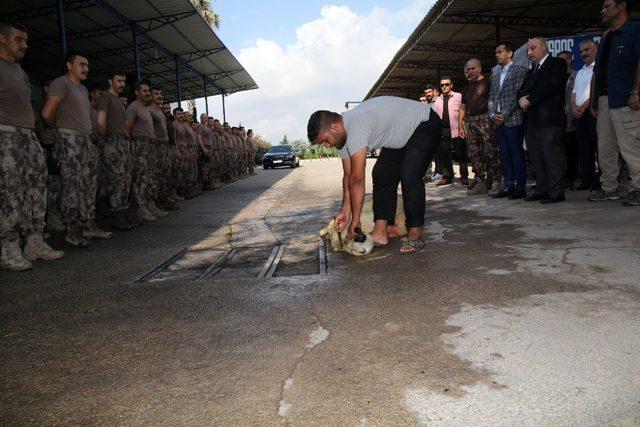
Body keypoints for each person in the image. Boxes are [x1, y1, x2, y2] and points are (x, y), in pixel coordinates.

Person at [307, 96, 442, 254]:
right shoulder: (341, 138)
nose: (327, 146)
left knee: (409, 174)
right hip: (401, 136)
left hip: (425, 123)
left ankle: (415, 232)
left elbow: (358, 179)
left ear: (334, 127)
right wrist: (345, 210)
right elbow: (349, 176)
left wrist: (355, 220)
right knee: (382, 173)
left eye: (325, 140)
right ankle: (380, 232)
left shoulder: (357, 126)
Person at [0, 21, 64, 271]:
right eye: (19, 39)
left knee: (36, 189)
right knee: (10, 193)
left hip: (28, 137)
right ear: (2, 39)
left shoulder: (20, 71)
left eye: (26, 40)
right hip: (5, 137)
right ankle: (9, 247)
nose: (25, 45)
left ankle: (34, 242)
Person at [43, 51, 110, 246]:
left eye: (87, 65)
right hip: (69, 139)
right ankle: (72, 231)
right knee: (71, 187)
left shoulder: (82, 89)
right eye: (81, 64)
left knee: (88, 186)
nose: (85, 68)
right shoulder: (61, 83)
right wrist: (60, 130)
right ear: (69, 65)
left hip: (85, 141)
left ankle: (88, 225)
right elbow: (47, 114)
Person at [589, 0, 640, 206]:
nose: (602, 10)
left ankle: (637, 187)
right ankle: (609, 187)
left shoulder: (634, 29)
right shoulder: (606, 36)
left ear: (621, 6)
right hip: (604, 100)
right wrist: (594, 100)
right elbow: (598, 72)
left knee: (630, 146)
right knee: (605, 147)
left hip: (625, 98)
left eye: (607, 6)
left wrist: (636, 91)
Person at [517, 37, 569, 203]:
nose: (529, 52)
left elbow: (551, 86)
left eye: (532, 48)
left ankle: (556, 192)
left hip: (550, 120)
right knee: (536, 157)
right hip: (532, 122)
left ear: (544, 47)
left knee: (551, 156)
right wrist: (520, 100)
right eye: (527, 50)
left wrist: (530, 99)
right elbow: (520, 91)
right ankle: (542, 188)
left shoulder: (557, 63)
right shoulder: (531, 71)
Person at [488, 41, 529, 199]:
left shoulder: (520, 70)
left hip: (512, 119)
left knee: (516, 154)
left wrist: (503, 115)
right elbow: (491, 98)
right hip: (497, 122)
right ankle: (508, 186)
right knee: (504, 155)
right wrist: (492, 115)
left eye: (500, 52)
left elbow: (517, 95)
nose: (497, 55)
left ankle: (520, 187)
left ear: (510, 53)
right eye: (496, 52)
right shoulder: (496, 74)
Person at [96, 71, 134, 230]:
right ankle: (117, 215)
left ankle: (122, 213)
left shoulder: (118, 100)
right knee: (117, 180)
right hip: (113, 142)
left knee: (125, 180)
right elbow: (100, 121)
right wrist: (105, 140)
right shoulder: (106, 97)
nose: (122, 84)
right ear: (110, 81)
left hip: (123, 142)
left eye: (124, 81)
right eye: (119, 81)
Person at [460, 58, 502, 196]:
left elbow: (496, 100)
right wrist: (461, 124)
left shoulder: (488, 83)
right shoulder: (467, 88)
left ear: (479, 68)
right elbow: (462, 107)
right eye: (467, 70)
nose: (469, 72)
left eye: (472, 69)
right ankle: (480, 181)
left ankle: (496, 181)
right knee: (473, 154)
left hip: (486, 121)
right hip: (470, 123)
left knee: (491, 152)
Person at [125, 81, 157, 222]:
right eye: (144, 91)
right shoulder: (133, 107)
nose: (147, 93)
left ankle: (148, 205)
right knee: (140, 178)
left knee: (148, 177)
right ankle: (140, 208)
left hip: (148, 146)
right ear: (137, 92)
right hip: (139, 146)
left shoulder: (145, 108)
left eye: (148, 90)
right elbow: (127, 128)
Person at [571, 40, 599, 191]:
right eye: (581, 52)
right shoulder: (580, 71)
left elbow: (595, 92)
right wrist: (574, 108)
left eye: (587, 50)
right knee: (584, 149)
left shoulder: (598, 69)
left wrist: (582, 107)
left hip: (592, 113)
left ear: (595, 50)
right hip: (579, 117)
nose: (584, 54)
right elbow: (573, 94)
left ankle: (601, 181)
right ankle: (587, 180)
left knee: (598, 148)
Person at [433, 77, 466, 187]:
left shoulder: (458, 96)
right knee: (443, 154)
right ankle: (447, 177)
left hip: (457, 128)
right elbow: (435, 116)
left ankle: (464, 177)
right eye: (442, 85)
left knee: (461, 153)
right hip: (443, 130)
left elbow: (464, 111)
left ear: (451, 85)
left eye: (446, 84)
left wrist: (463, 126)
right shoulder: (438, 99)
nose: (444, 87)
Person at [558, 50, 579, 190]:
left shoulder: (577, 75)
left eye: (564, 59)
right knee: (560, 151)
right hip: (558, 119)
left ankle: (570, 177)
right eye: (559, 60)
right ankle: (561, 177)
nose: (562, 62)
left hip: (573, 118)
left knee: (572, 150)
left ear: (570, 59)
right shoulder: (556, 77)